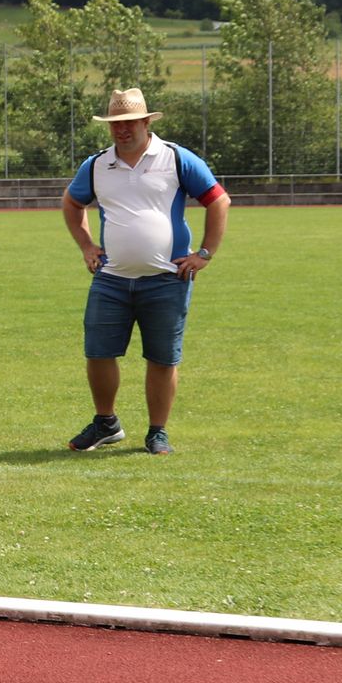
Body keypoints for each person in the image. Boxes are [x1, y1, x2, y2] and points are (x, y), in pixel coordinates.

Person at [60, 87, 229, 456]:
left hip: (168, 280)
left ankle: (157, 432)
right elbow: (72, 203)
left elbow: (218, 200)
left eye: (130, 122)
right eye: (115, 124)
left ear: (146, 121)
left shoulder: (176, 158)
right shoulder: (96, 165)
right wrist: (87, 246)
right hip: (111, 279)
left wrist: (204, 253)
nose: (122, 130)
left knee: (162, 357)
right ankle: (106, 423)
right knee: (98, 353)